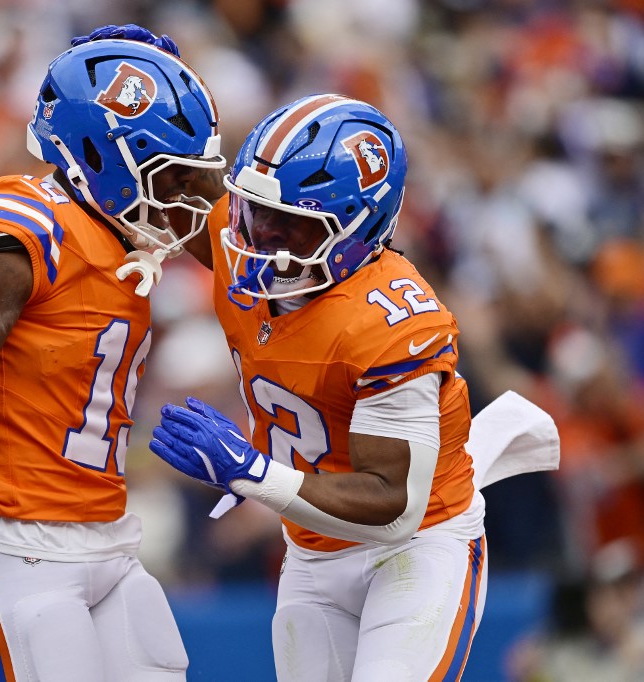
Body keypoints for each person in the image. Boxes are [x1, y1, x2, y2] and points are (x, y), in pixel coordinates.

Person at [0, 25, 225, 681]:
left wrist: (153, 86)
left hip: (108, 535)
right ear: (97, 157)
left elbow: (237, 251)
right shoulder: (25, 226)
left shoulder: (119, 230)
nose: (185, 191)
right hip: (18, 547)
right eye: (167, 172)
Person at [150, 95, 490, 681]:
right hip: (311, 547)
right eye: (257, 213)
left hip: (416, 545)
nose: (265, 239)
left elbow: (395, 506)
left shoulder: (390, 324)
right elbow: (165, 180)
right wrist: (161, 89)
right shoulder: (246, 244)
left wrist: (253, 472)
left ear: (362, 227)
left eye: (295, 225)